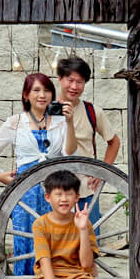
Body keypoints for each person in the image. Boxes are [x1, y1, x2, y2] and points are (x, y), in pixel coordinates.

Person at [0, 73, 76, 275]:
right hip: (25, 191)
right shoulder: (16, 122)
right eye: (36, 90)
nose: (42, 95)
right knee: (25, 236)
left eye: (47, 90)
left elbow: (69, 152)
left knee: (56, 234)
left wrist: (70, 123)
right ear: (26, 95)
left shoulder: (60, 121)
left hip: (55, 188)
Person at [56, 56, 121, 230]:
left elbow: (114, 142)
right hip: (54, 190)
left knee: (90, 246)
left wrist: (101, 172)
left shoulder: (93, 112)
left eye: (80, 82)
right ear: (60, 79)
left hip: (85, 190)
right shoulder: (46, 109)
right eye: (70, 80)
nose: (74, 87)